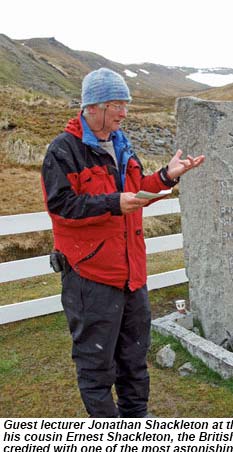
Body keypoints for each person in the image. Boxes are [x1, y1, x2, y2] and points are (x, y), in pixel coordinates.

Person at [41, 67, 205, 418]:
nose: (124, 113)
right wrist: (113, 202)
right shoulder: (63, 150)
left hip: (133, 276)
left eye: (126, 104)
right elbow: (61, 206)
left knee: (134, 361)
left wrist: (164, 177)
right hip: (90, 277)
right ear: (93, 106)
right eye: (118, 104)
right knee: (97, 367)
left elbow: (136, 190)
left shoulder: (122, 145)